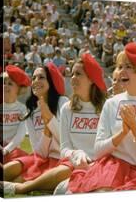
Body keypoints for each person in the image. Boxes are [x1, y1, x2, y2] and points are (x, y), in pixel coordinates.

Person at [67, 42, 136, 193]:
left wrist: (135, 128)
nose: (121, 71)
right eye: (120, 66)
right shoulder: (111, 104)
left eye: (129, 67)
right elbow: (98, 151)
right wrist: (122, 133)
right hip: (111, 167)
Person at [2, 63, 71, 195]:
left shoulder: (63, 102)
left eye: (41, 77)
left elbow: (66, 141)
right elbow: (38, 151)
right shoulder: (31, 110)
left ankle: (24, 186)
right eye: (33, 78)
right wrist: (46, 132)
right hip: (41, 158)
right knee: (10, 168)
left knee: (19, 180)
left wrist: (50, 120)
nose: (35, 81)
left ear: (51, 81)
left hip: (62, 160)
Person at [54, 53, 107, 194]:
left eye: (78, 74)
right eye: (71, 74)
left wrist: (94, 162)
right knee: (64, 170)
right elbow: (64, 149)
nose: (72, 78)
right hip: (73, 163)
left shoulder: (106, 107)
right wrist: (76, 153)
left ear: (91, 79)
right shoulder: (67, 108)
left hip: (100, 164)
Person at [0, 65, 31, 181]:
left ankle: (1, 171)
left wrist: (7, 149)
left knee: (26, 160)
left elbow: (21, 133)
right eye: (4, 82)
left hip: (12, 150)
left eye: (10, 83)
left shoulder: (22, 108)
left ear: (18, 89)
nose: (5, 85)